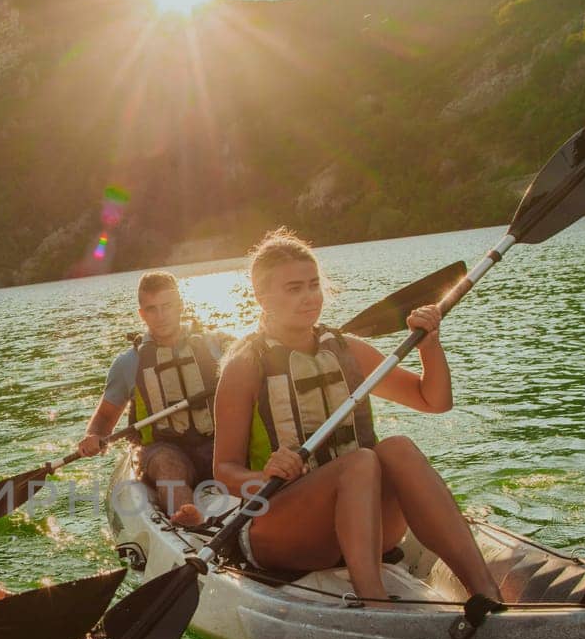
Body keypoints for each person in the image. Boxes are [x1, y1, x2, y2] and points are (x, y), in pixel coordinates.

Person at [212, 228, 504, 605]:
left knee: (397, 449)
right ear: (261, 296)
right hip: (285, 530)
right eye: (293, 288)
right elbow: (225, 472)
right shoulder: (244, 365)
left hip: (367, 526)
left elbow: (433, 401)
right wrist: (265, 476)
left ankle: (485, 591)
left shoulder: (348, 350)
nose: (309, 297)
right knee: (360, 462)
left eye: (313, 285)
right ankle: (374, 601)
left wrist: (429, 346)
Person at [76, 271, 227, 526]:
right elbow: (104, 417)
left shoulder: (216, 345)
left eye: (167, 306)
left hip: (218, 442)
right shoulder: (127, 364)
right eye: (152, 309)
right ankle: (189, 518)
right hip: (163, 449)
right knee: (167, 464)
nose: (161, 315)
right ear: (142, 314)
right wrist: (94, 437)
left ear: (180, 305)